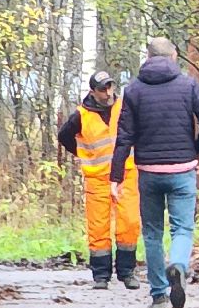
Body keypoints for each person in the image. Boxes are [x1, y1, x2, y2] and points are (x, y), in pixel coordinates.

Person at [110, 37, 199, 308]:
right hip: (182, 169)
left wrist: (116, 176)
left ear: (148, 57)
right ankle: (178, 265)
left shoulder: (133, 89)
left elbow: (124, 136)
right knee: (183, 228)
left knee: (153, 232)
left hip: (148, 171)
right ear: (174, 56)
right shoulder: (188, 84)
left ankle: (159, 294)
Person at [56, 71, 140, 290]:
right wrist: (85, 155)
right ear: (93, 91)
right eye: (103, 89)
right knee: (98, 227)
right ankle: (101, 275)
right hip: (97, 177)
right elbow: (64, 136)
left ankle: (127, 271)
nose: (108, 92)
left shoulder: (124, 108)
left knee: (129, 223)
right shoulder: (81, 115)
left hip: (126, 174)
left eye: (110, 87)